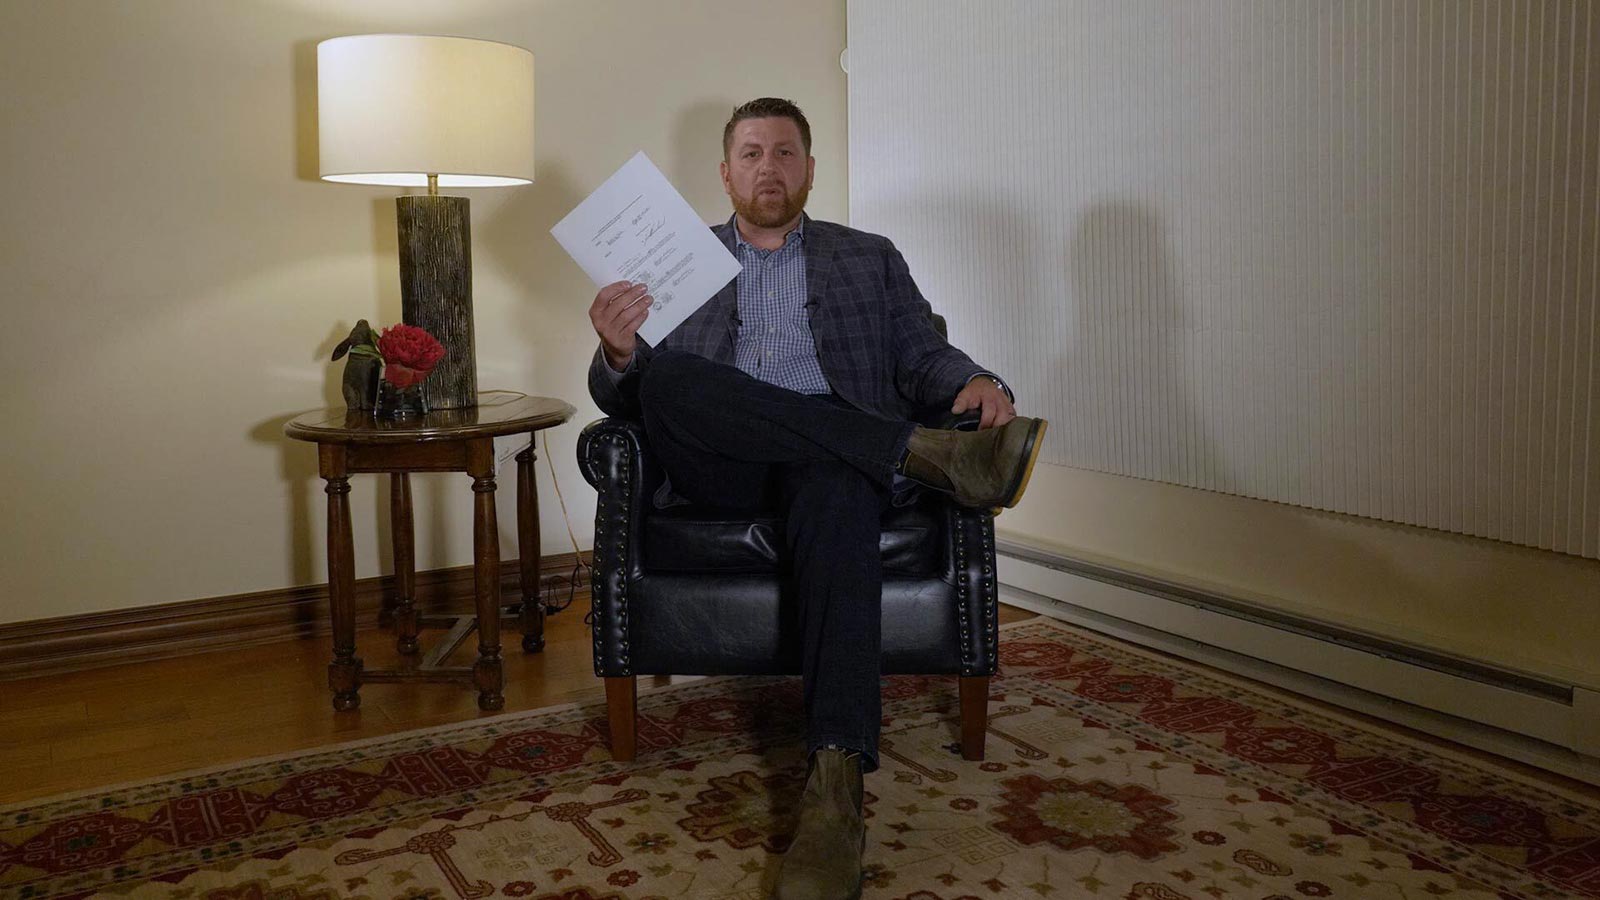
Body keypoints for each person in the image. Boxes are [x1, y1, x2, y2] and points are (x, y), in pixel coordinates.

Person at [586, 97, 1046, 900]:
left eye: (785, 152)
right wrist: (619, 352)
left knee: (835, 481)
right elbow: (629, 400)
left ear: (809, 169)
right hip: (722, 465)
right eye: (752, 153)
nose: (769, 167)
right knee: (673, 377)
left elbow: (923, 353)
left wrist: (975, 380)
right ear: (725, 172)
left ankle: (835, 791)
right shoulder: (674, 260)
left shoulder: (868, 257)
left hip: (829, 464)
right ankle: (914, 452)